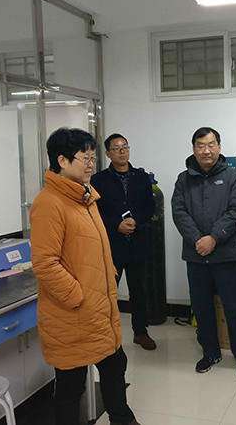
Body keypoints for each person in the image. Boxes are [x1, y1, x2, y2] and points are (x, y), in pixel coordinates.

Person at [30, 128, 139, 425]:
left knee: (115, 367)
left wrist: (106, 281)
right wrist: (79, 296)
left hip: (99, 309)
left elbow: (95, 251)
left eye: (93, 158)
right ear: (62, 161)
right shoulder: (49, 203)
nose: (91, 164)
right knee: (71, 385)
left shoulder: (85, 198)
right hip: (73, 313)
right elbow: (45, 263)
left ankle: (123, 419)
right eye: (85, 158)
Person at [171, 127, 236, 378]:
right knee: (201, 308)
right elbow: (179, 213)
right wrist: (198, 240)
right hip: (196, 256)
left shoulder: (233, 177)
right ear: (193, 148)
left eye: (211, 145)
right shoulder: (183, 179)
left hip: (225, 255)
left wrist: (214, 238)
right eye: (201, 145)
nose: (206, 150)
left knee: (234, 308)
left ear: (219, 147)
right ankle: (210, 352)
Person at [91, 133, 156, 351]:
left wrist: (136, 220)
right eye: (117, 148)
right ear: (108, 153)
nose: (122, 152)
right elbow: (95, 211)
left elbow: (150, 206)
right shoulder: (98, 180)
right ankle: (106, 333)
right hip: (112, 244)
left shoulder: (141, 177)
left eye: (125, 147)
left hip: (138, 242)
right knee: (109, 291)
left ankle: (141, 332)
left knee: (139, 291)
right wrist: (115, 225)